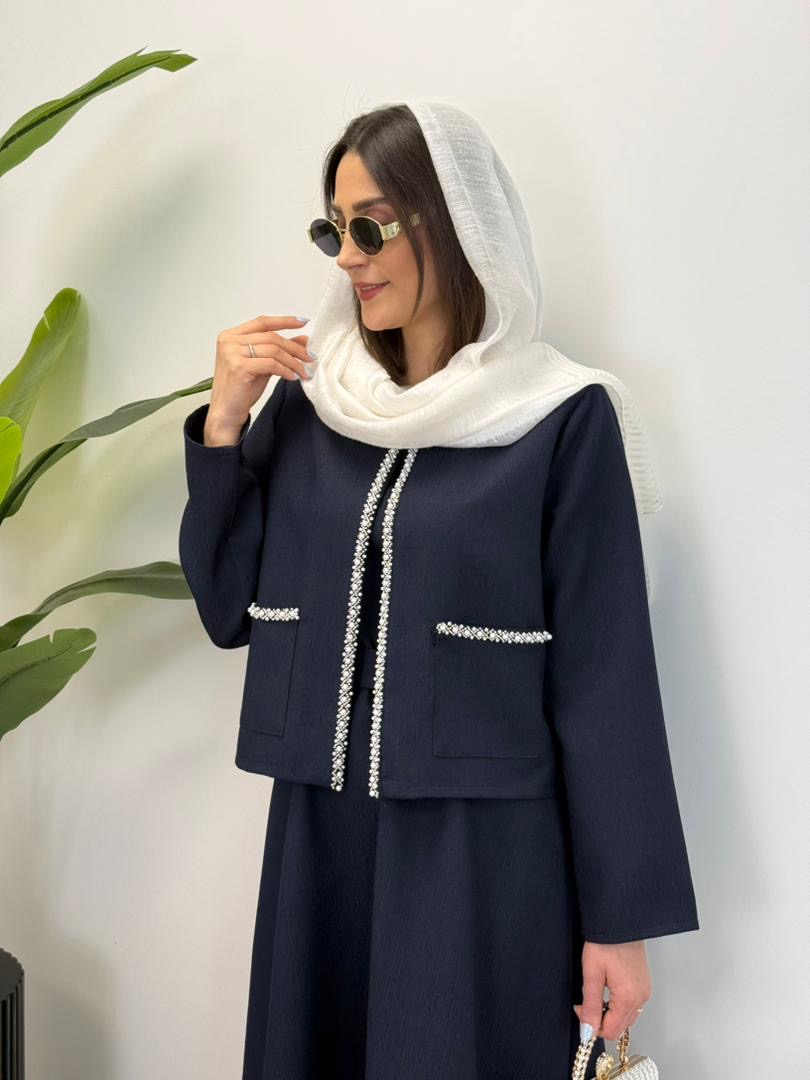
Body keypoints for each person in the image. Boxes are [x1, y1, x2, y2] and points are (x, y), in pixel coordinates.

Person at [178, 100, 700, 1079]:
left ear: (453, 224)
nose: (348, 257)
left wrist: (619, 925)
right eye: (334, 230)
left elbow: (606, 680)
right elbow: (225, 608)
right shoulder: (315, 405)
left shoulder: (559, 417)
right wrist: (223, 427)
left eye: (372, 227)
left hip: (482, 859)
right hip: (321, 846)